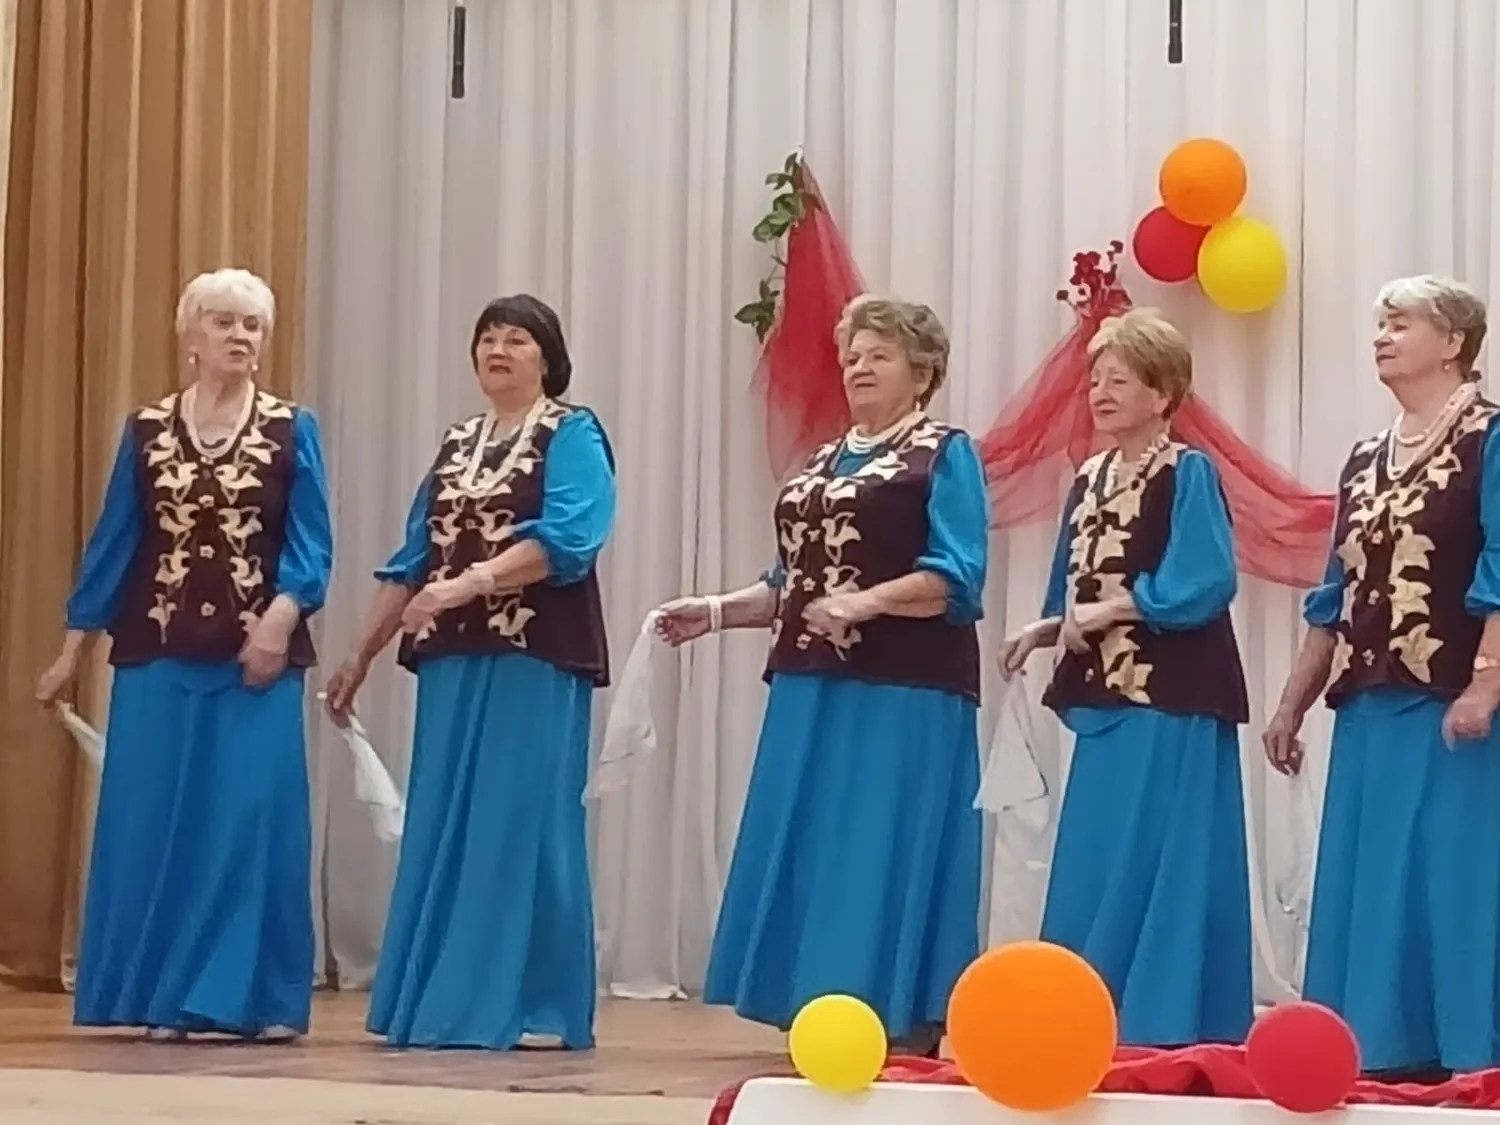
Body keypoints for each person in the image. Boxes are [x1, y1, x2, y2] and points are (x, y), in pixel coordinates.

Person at [656, 295, 988, 1057]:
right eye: (852, 356)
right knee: (812, 836)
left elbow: (958, 574)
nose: (859, 367)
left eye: (879, 355)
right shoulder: (822, 461)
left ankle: (893, 1007)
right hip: (810, 680)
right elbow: (794, 582)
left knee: (877, 839)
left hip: (904, 686)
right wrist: (715, 611)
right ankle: (814, 1002)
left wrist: (866, 602)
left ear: (923, 371)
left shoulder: (944, 453)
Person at [35, 268, 333, 1041]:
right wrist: (72, 650)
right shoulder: (145, 430)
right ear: (191, 334)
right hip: (156, 652)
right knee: (156, 818)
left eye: (253, 325)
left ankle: (243, 998)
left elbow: (311, 545)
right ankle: (159, 994)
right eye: (225, 322)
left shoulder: (291, 428)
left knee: (246, 821)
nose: (240, 336)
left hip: (255, 659)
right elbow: (114, 545)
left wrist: (279, 620)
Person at [325, 294, 616, 1051]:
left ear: (548, 357)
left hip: (535, 656)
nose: (498, 349)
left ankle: (540, 1006)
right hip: (454, 659)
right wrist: (359, 656)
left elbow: (571, 538)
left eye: (516, 338)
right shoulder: (458, 444)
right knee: (447, 822)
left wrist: (468, 584)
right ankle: (439, 999)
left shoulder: (572, 432)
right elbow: (412, 560)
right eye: (487, 337)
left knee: (523, 823)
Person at [998, 307, 1253, 1047]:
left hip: (1173, 694)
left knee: (1161, 848)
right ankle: (1086, 1009)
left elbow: (1205, 577)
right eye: (1095, 380)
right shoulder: (1089, 477)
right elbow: (1072, 584)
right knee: (1099, 848)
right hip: (1107, 694)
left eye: (1120, 379)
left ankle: (1162, 1019)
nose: (1100, 392)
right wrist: (1046, 627)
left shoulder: (1187, 471)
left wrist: (1113, 608)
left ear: (1162, 392)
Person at [1265, 276, 1500, 1079]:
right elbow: (1334, 591)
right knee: (1368, 875)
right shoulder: (1365, 457)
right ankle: (1376, 1050)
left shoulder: (1489, 437)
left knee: (1450, 870)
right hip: (1369, 699)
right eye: (1379, 324)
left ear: (1454, 341)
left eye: (1401, 323)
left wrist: (1487, 681)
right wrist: (1292, 702)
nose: (1382, 336)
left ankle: (1464, 1050)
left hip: (1453, 701)